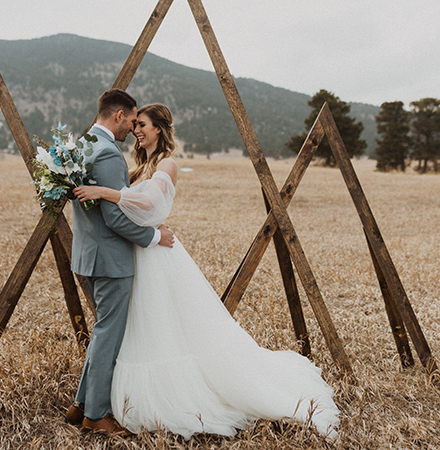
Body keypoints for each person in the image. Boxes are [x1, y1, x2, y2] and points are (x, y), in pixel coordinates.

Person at [73, 103, 340, 439]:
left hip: (157, 252)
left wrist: (103, 192)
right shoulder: (138, 166)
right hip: (139, 254)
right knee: (140, 328)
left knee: (164, 327)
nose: (136, 130)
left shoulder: (166, 164)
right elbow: (126, 202)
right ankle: (92, 404)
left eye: (142, 125)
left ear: (159, 129)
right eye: (134, 124)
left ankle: (110, 403)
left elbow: (147, 202)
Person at [65, 90, 175, 437]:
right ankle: (97, 415)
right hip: (111, 258)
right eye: (132, 120)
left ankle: (82, 404)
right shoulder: (110, 153)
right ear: (118, 117)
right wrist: (155, 238)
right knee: (108, 335)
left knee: (102, 332)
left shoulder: (84, 146)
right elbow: (114, 217)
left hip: (87, 254)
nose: (132, 129)